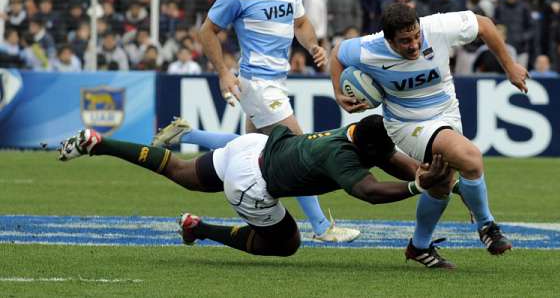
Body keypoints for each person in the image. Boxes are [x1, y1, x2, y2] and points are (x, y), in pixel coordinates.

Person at [58, 115, 456, 267]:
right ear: (368, 147)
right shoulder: (343, 157)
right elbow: (369, 192)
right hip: (253, 183)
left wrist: (446, 182)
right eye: (385, 150)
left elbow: (392, 161)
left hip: (254, 147)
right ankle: (199, 230)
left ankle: (100, 143)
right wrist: (417, 185)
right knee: (285, 244)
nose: (390, 153)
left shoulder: (352, 133)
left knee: (178, 170)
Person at [329, 3, 528, 266]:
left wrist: (510, 66)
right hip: (407, 124)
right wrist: (338, 92)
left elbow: (485, 25)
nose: (413, 45)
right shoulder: (368, 48)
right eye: (404, 41)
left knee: (442, 183)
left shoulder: (437, 27)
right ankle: (487, 227)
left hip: (448, 114)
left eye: (416, 36)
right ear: (388, 39)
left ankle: (419, 247)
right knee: (470, 157)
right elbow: (336, 54)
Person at [195, 0, 358, 242]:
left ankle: (186, 132)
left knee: (247, 151)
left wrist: (313, 45)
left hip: (276, 83)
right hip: (257, 84)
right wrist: (223, 72)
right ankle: (321, 227)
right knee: (297, 149)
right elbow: (206, 31)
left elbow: (301, 23)